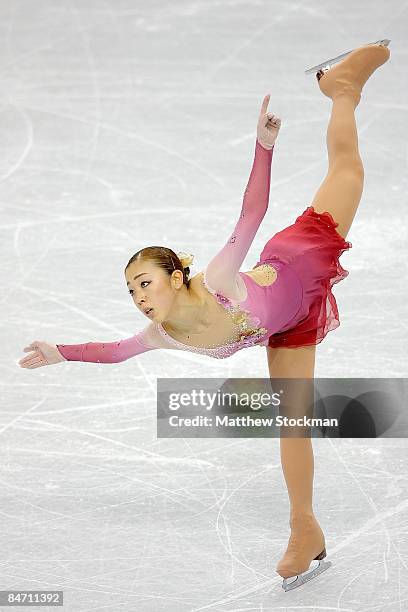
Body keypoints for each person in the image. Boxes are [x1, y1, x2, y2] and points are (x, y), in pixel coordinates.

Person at [18, 41, 391, 591]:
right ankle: (304, 527)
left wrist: (264, 146)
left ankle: (341, 90)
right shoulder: (161, 333)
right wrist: (60, 352)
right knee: (292, 421)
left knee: (348, 169)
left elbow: (253, 212)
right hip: (288, 325)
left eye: (144, 282)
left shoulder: (217, 282)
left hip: (302, 256)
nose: (139, 297)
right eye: (130, 291)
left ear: (173, 278)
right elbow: (115, 352)